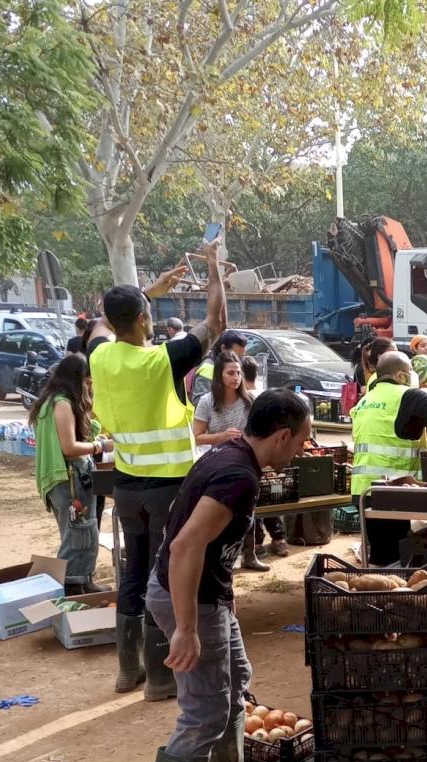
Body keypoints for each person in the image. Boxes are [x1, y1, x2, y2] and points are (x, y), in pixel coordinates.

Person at [144, 390, 312, 762]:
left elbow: (203, 540)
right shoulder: (238, 475)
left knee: (236, 679)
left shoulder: (234, 454)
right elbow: (185, 546)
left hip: (206, 594)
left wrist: (223, 588)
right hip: (188, 599)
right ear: (282, 436)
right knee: (204, 712)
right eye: (302, 440)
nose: (302, 449)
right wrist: (186, 627)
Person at [89, 242, 223, 700]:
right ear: (146, 320)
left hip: (127, 486)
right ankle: (162, 678)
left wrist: (146, 293)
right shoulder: (162, 359)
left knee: (133, 571)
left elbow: (103, 323)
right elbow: (216, 323)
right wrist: (213, 269)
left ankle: (129, 670)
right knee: (162, 574)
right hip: (170, 487)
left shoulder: (100, 355)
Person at [351, 351, 427, 564]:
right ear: (401, 375)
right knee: (393, 560)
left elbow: (390, 436)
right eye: (410, 371)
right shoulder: (405, 395)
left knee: (384, 556)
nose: (413, 376)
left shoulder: (366, 399)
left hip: (363, 490)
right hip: (390, 491)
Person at [30, 353, 113, 595]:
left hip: (61, 479)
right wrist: (100, 446)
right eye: (87, 382)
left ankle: (83, 580)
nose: (89, 387)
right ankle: (72, 585)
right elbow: (69, 447)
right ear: (77, 379)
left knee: (79, 530)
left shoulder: (49, 402)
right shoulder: (62, 404)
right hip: (70, 478)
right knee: (80, 532)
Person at [240, 357, 290, 560]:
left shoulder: (247, 399)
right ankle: (278, 539)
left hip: (257, 455)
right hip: (269, 457)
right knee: (271, 496)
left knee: (258, 501)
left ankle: (259, 542)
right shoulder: (265, 394)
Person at [190, 329, 247, 403]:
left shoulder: (236, 367)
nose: (239, 360)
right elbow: (198, 401)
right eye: (235, 355)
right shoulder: (208, 367)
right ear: (223, 348)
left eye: (242, 356)